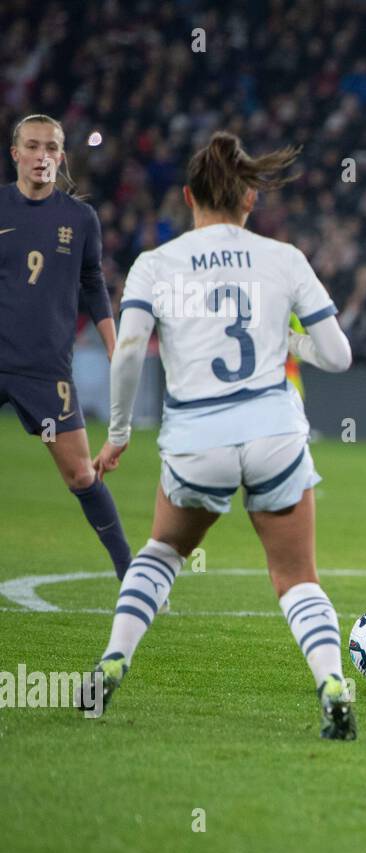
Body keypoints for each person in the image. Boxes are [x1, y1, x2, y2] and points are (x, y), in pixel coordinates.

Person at [80, 132, 357, 740]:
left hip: (195, 436)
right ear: (251, 199)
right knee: (297, 578)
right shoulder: (283, 258)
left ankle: (113, 660)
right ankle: (333, 682)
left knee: (162, 553)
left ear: (187, 196)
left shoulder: (157, 263)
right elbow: (338, 356)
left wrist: (119, 434)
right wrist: (288, 341)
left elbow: (128, 352)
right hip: (274, 431)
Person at [0, 114, 132, 581]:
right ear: (15, 153)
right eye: (32, 147)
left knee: (80, 475)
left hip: (44, 369)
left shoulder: (79, 218)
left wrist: (116, 349)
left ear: (61, 155)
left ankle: (130, 574)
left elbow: (93, 285)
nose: (42, 156)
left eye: (51, 147)